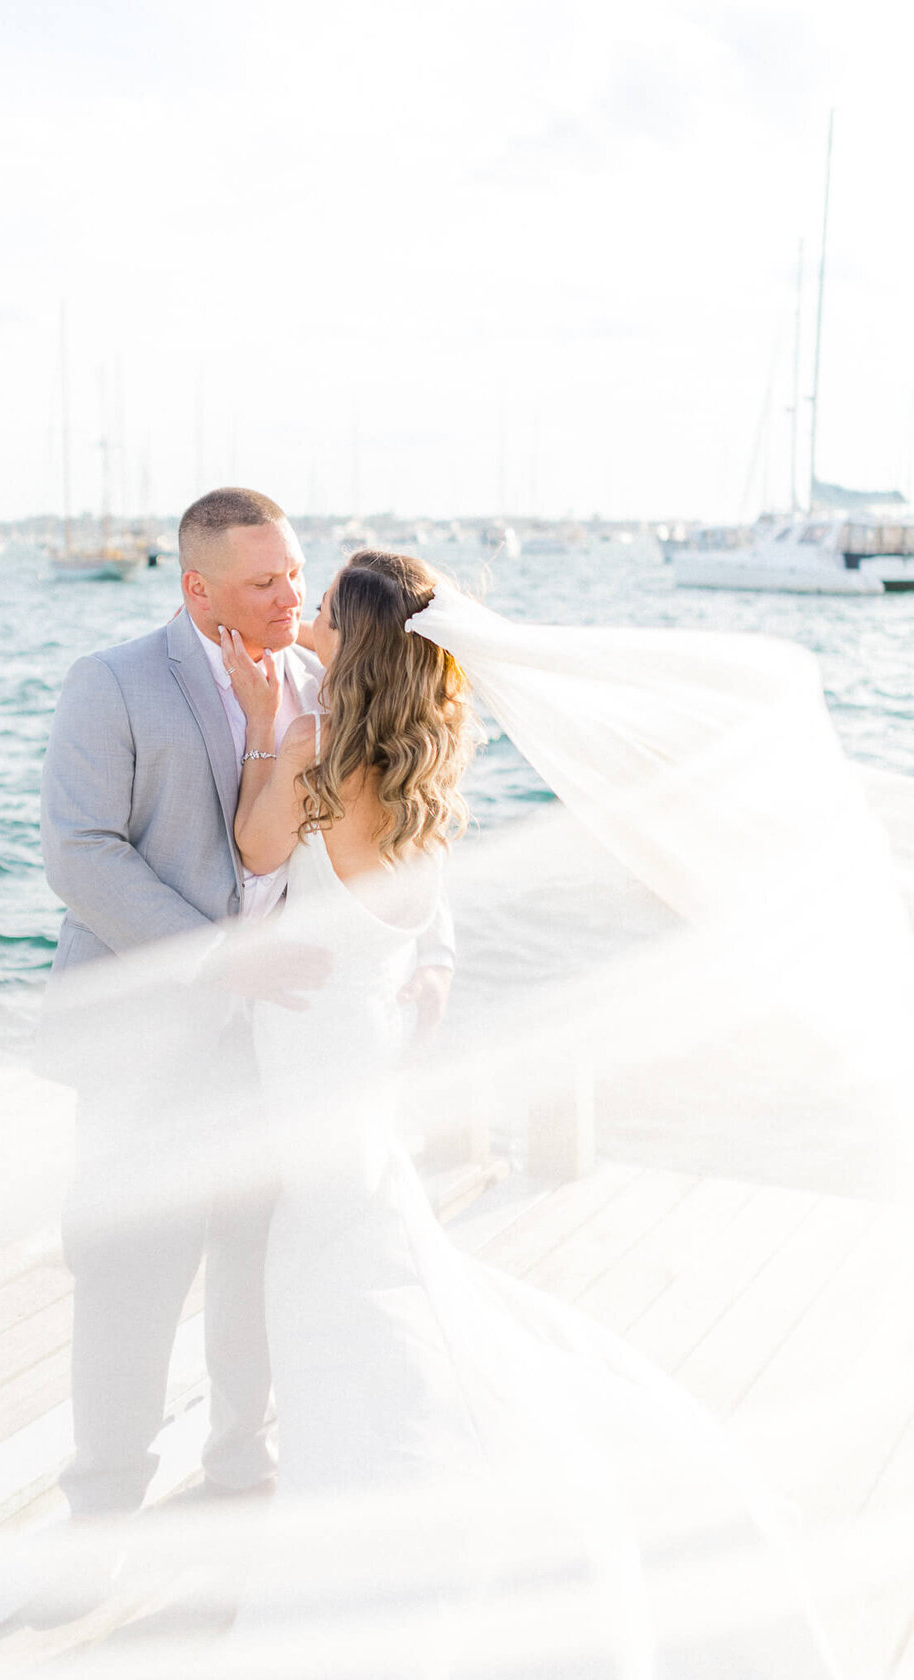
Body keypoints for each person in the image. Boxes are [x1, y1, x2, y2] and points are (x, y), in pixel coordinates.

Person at [211, 548, 844, 1677]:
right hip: (351, 1051)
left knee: (330, 1279)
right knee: (358, 1261)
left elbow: (254, 844)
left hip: (317, 1063)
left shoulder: (317, 756)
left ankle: (375, 1535)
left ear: (357, 645)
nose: (304, 614)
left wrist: (267, 717)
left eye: (326, 612)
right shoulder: (414, 778)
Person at [37, 492, 454, 1615]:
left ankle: (239, 1475)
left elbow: (410, 814)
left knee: (259, 1279)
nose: (286, 599)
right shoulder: (114, 683)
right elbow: (79, 858)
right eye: (263, 583)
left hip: (292, 1059)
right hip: (152, 1048)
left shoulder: (329, 681)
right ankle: (101, 1529)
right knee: (126, 1285)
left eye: (295, 576)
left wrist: (431, 958)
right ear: (197, 589)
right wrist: (225, 959)